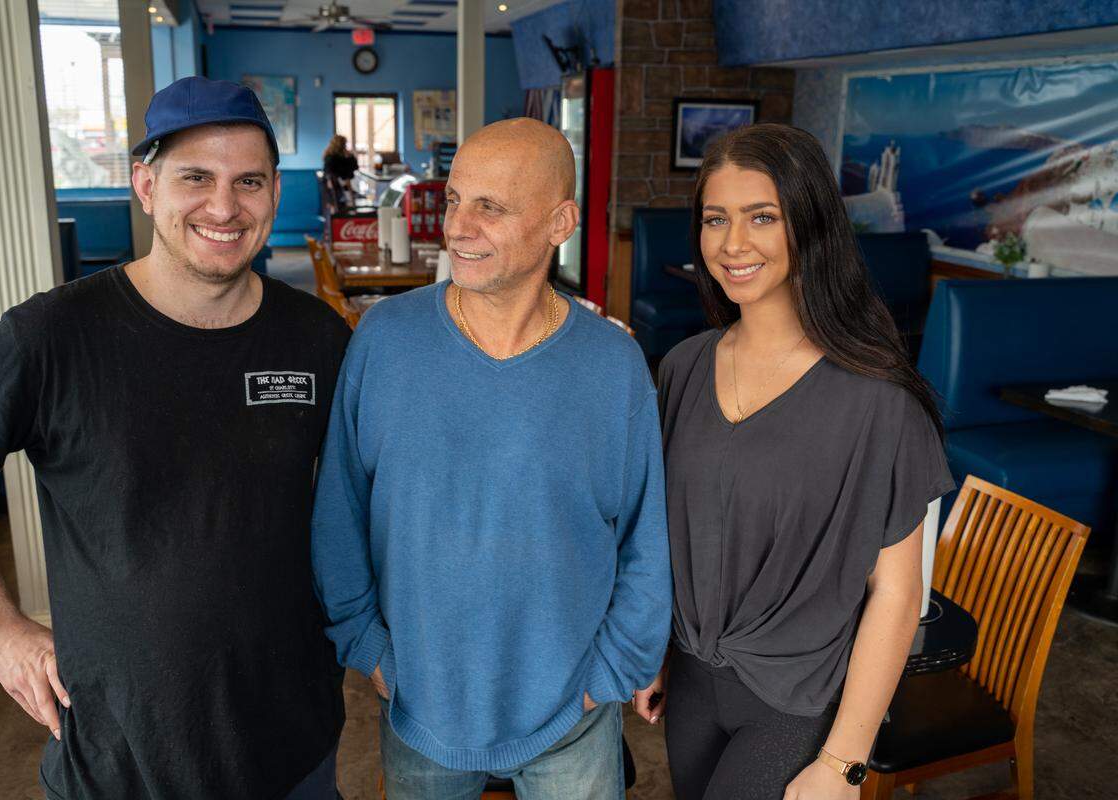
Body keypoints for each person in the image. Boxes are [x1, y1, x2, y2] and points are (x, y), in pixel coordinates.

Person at [0, 76, 348, 799]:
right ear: (146, 187)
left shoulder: (315, 337)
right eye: (195, 178)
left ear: (275, 191)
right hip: (122, 752)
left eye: (248, 180)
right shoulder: (50, 336)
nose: (224, 206)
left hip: (293, 741)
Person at [311, 117, 671, 799]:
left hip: (573, 711)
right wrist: (369, 648)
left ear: (560, 221)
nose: (457, 226)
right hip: (420, 703)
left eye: (491, 207)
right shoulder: (383, 341)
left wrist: (611, 674)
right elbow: (339, 510)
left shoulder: (614, 364)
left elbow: (646, 540)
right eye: (453, 200)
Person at [639, 123, 955, 800]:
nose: (732, 244)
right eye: (715, 219)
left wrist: (844, 763)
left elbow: (897, 597)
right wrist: (653, 652)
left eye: (762, 217)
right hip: (691, 678)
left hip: (798, 702)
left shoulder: (877, 399)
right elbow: (666, 537)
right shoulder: (685, 367)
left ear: (809, 225)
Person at [322, 135, 358, 213]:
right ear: (339, 145)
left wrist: (350, 156)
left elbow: (355, 167)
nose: (345, 146)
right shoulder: (330, 157)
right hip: (334, 187)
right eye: (344, 144)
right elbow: (329, 172)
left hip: (344, 185)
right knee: (336, 209)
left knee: (349, 205)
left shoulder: (344, 155)